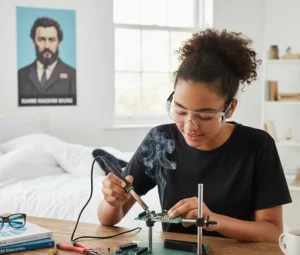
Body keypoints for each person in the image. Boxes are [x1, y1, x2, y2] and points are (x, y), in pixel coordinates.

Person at [99, 29, 292, 243]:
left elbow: (273, 232)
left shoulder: (257, 146)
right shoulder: (159, 141)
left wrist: (212, 219)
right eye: (180, 111)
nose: (190, 126)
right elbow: (108, 219)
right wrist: (112, 202)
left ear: (230, 109)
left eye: (205, 116)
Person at [18, 17, 76, 97]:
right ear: (33, 42)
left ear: (59, 43)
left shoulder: (72, 75)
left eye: (51, 39)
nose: (47, 46)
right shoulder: (21, 75)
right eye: (41, 39)